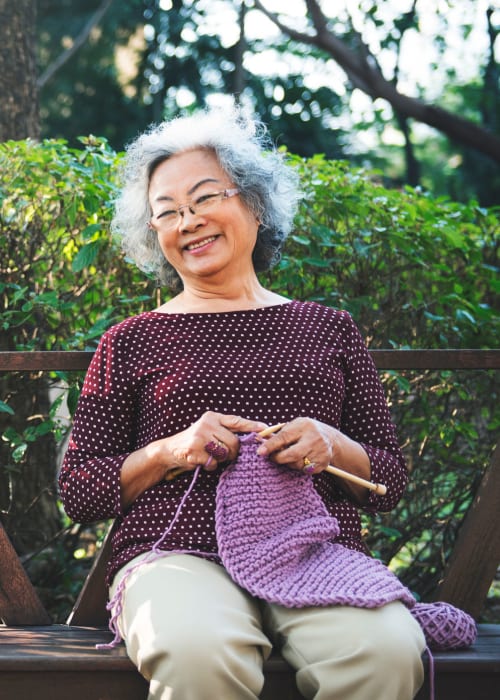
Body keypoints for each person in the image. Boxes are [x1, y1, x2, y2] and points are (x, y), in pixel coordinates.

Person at [59, 104, 426, 700]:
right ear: (155, 235)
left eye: (205, 198)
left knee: (385, 652)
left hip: (313, 551)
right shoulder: (129, 341)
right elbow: (80, 490)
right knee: (198, 649)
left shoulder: (329, 329)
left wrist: (330, 444)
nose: (189, 221)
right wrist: (168, 451)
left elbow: (389, 476)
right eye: (168, 212)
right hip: (173, 554)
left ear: (254, 203)